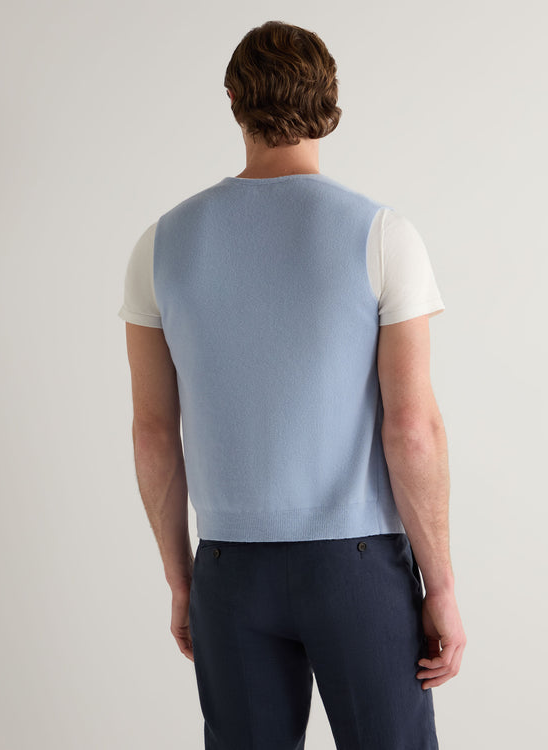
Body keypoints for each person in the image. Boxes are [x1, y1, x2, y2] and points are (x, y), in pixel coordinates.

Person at [118, 19, 466, 750]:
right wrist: (441, 587)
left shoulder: (161, 245)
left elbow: (153, 434)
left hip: (229, 566)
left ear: (234, 99)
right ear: (329, 100)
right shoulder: (381, 235)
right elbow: (412, 429)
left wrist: (182, 581)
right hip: (357, 567)